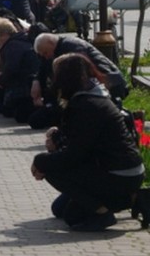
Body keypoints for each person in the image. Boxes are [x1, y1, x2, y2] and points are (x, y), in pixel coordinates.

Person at [31, 53, 145, 231]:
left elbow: (76, 153)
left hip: (118, 173)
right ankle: (129, 199)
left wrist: (42, 160)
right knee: (62, 210)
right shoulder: (94, 95)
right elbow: (84, 140)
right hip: (123, 169)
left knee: (50, 170)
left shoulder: (86, 105)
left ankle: (104, 213)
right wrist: (58, 138)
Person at [0, 17, 39, 123]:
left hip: (22, 83)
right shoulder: (21, 40)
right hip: (26, 80)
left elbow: (11, 69)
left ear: (4, 35)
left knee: (2, 102)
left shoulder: (12, 46)